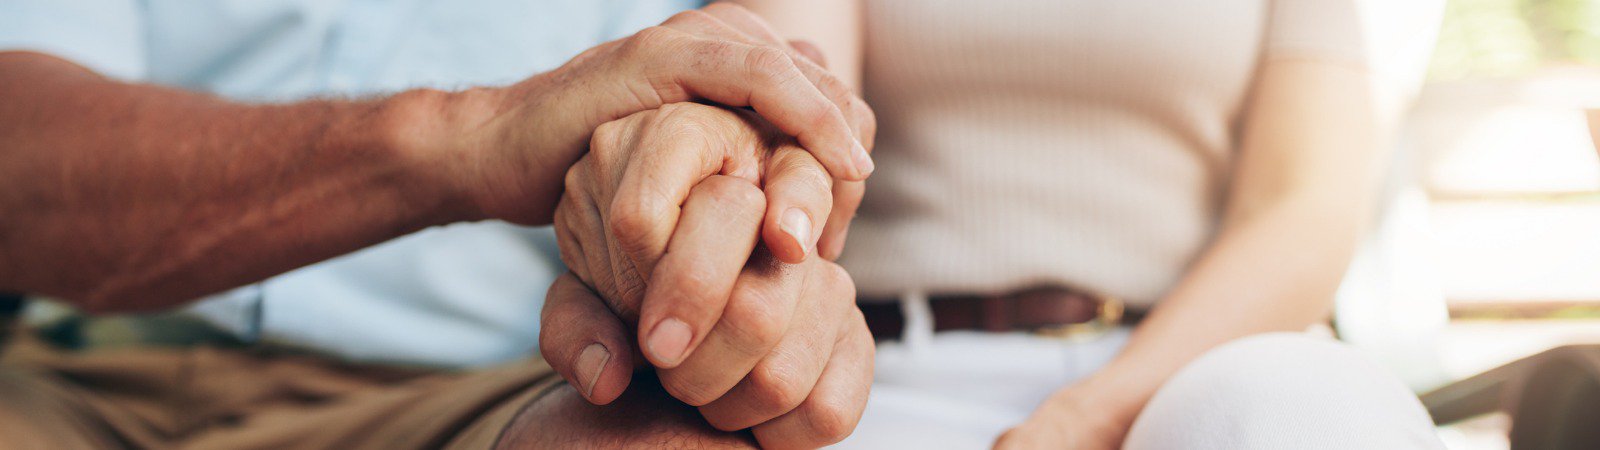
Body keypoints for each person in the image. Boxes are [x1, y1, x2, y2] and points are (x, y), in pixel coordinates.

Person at [540, 0, 1450, 448]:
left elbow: (1303, 205)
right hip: (880, 378)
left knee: (1319, 418)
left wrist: (1089, 418)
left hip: (1193, 369)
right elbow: (790, 98)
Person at [0, 1, 873, 448]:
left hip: (493, 390)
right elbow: (20, 163)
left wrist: (713, 199)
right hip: (81, 375)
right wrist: (472, 138)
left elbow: (779, 105)